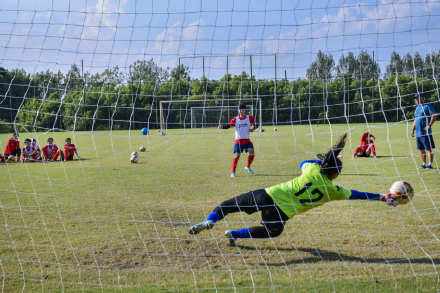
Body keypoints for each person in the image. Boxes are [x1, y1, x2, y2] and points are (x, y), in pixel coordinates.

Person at [189, 133, 407, 246]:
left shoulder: (312, 168)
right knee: (272, 231)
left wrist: (320, 160)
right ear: (335, 175)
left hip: (269, 194)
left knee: (228, 205)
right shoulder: (334, 190)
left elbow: (303, 161)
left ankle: (210, 220)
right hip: (281, 213)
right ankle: (234, 234)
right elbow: (358, 195)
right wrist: (380, 197)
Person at [219, 104, 256, 178]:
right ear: (238, 110)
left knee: (251, 152)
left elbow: (255, 125)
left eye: (243, 109)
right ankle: (233, 172)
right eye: (240, 109)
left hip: (247, 140)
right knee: (236, 156)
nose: (242, 111)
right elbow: (229, 126)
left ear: (245, 110)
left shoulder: (250, 118)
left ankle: (247, 167)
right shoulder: (235, 119)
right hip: (238, 141)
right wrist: (222, 126)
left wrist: (252, 128)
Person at [411, 96, 437, 169]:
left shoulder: (428, 106)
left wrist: (429, 125)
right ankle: (424, 164)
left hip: (426, 133)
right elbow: (415, 120)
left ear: (422, 98)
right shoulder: (417, 108)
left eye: (418, 98)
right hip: (418, 133)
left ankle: (430, 164)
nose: (416, 100)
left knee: (428, 149)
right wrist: (413, 130)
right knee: (421, 149)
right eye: (415, 98)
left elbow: (434, 116)